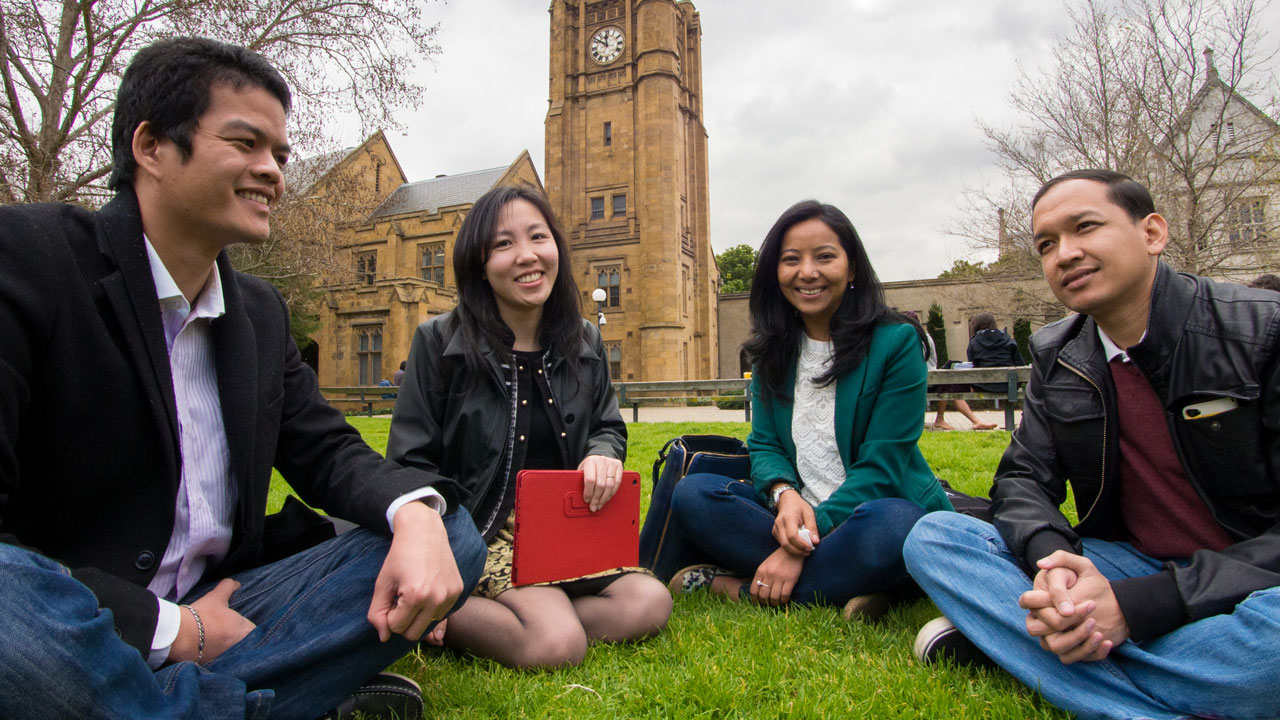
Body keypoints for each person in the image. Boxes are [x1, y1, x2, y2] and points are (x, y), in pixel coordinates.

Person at [0, 37, 486, 720]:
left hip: (222, 607)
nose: (274, 173)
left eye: (281, 155)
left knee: (449, 534)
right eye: (246, 143)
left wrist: (413, 515)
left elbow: (326, 451)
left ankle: (150, 704)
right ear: (150, 147)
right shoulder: (30, 257)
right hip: (71, 614)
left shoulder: (257, 311)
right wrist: (173, 630)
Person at [904, 169, 1280, 720]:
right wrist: (1050, 558)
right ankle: (1141, 676)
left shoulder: (1261, 331)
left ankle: (1019, 649)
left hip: (1253, 577)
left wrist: (1140, 607)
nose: (1065, 254)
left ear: (1152, 233)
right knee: (935, 536)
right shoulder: (1059, 353)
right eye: (1047, 244)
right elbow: (1022, 480)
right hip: (1127, 563)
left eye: (1085, 228)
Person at [386, 185, 672, 668]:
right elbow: (409, 460)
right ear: (478, 262)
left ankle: (536, 611)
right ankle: (440, 608)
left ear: (556, 245)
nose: (527, 256)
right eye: (503, 244)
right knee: (555, 646)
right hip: (479, 528)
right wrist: (429, 546)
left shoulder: (584, 339)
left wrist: (603, 451)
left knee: (649, 602)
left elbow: (608, 424)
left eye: (538, 237)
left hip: (560, 531)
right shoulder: (440, 342)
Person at [666, 200, 954, 620]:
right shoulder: (771, 350)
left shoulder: (896, 342)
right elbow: (764, 443)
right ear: (775, 272)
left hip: (871, 512)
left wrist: (798, 543)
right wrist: (784, 496)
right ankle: (858, 585)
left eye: (824, 257)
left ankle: (741, 588)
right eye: (791, 260)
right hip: (791, 513)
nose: (807, 272)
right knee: (694, 493)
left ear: (851, 267)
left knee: (898, 524)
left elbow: (882, 467)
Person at [965, 312, 1025, 394]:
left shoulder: (974, 342)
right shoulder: (1007, 339)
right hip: (1009, 385)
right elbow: (1020, 363)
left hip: (982, 385)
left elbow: (972, 364)